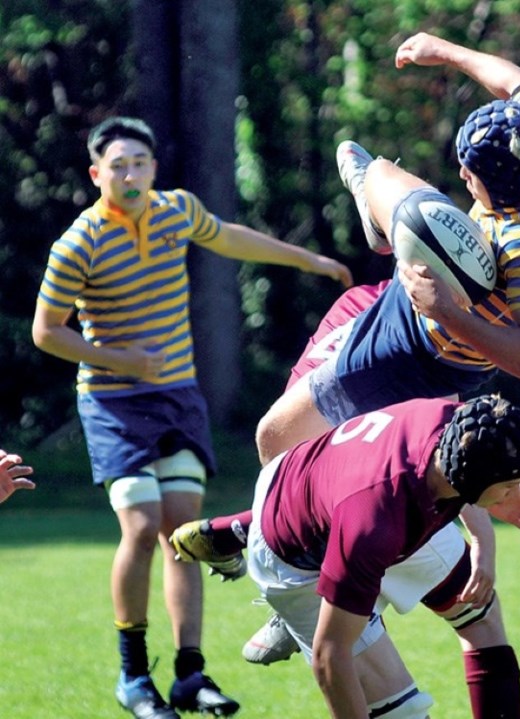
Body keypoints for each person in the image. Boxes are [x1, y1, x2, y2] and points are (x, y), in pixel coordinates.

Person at [174, 31, 520, 715]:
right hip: (422, 325)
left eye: (473, 177)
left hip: (417, 346)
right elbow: (513, 79)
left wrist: (446, 309)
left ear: (503, 191)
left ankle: (273, 562)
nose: (466, 180)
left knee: (274, 440)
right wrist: (447, 51)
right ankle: (383, 217)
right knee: (400, 195)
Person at [31, 116, 353, 719]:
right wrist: (116, 357)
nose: (130, 174)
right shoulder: (79, 243)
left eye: (140, 163)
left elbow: (229, 237)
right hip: (112, 402)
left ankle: (189, 675)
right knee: (140, 526)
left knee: (183, 535)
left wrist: (308, 260)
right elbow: (46, 332)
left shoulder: (174, 210)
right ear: (97, 174)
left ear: (154, 169)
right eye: (118, 165)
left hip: (177, 397)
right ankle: (133, 676)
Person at [246, 394, 520, 719]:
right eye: (511, 484)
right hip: (293, 551)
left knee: (479, 612)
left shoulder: (468, 430)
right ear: (475, 487)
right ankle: (239, 533)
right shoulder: (374, 525)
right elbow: (329, 654)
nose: (519, 491)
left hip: (356, 489)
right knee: (402, 712)